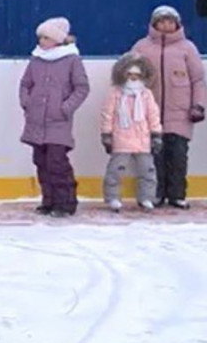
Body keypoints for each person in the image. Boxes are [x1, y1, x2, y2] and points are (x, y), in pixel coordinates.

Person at [131, 5, 207, 209]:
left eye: (170, 21)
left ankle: (177, 194)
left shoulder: (187, 48)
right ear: (154, 24)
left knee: (178, 156)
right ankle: (155, 193)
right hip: (150, 115)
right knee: (153, 158)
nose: (166, 25)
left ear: (177, 24)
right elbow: (129, 77)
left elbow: (198, 80)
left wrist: (198, 105)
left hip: (180, 114)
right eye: (162, 21)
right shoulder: (141, 47)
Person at [20, 17, 89, 218]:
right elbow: (25, 84)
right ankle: (48, 200)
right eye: (40, 37)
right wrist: (27, 103)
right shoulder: (36, 59)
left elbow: (82, 88)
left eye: (46, 37)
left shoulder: (72, 60)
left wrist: (65, 108)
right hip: (36, 121)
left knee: (57, 162)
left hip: (58, 122)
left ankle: (66, 202)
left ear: (58, 40)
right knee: (41, 161)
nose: (41, 41)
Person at [100, 53, 163, 213]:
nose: (133, 78)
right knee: (115, 170)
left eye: (137, 75)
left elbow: (153, 114)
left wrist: (156, 134)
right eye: (130, 74)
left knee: (147, 170)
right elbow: (108, 114)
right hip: (122, 138)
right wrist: (107, 134)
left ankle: (146, 197)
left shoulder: (146, 94)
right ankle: (113, 197)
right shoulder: (116, 93)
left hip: (143, 139)